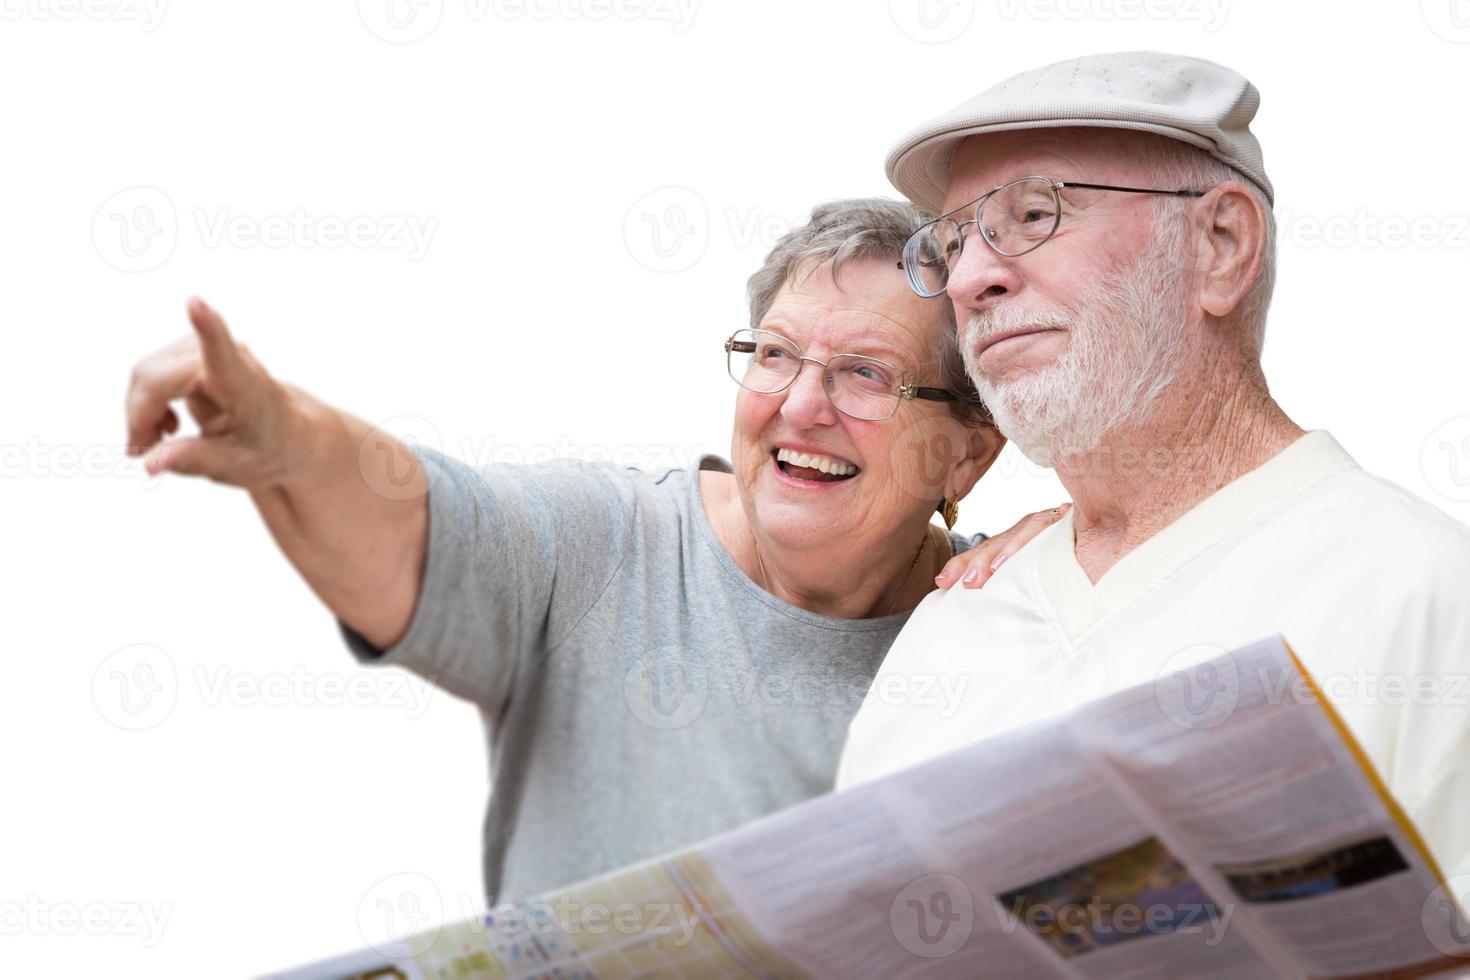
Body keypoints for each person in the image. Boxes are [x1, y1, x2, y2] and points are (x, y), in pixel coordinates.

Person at [123, 197, 1066, 904]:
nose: (800, 405)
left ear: (969, 454)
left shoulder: (1008, 616)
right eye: (774, 354)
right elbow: (420, 527)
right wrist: (285, 438)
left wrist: (1086, 540)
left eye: (866, 374)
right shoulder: (606, 547)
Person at [836, 52, 1470, 884]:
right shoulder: (954, 627)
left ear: (1220, 245)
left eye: (1033, 213)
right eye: (952, 243)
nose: (970, 278)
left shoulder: (1426, 595)